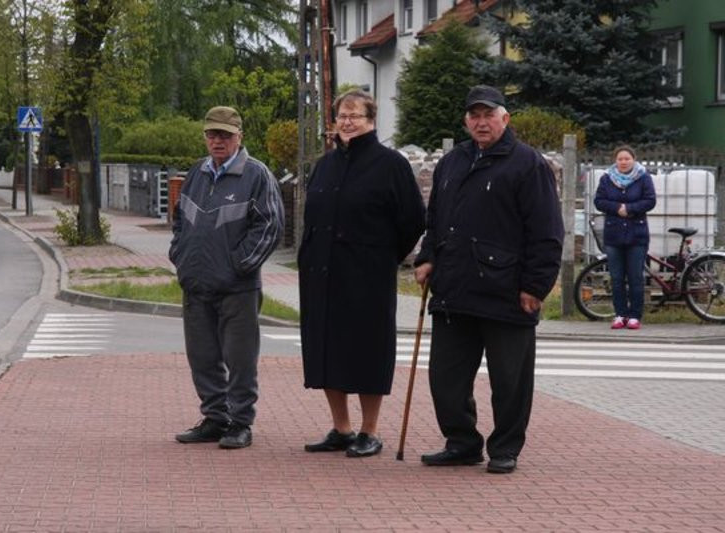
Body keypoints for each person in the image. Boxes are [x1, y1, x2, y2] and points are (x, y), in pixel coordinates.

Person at [413, 85, 563, 474]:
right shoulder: (452, 163)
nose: (481, 122)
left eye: (489, 115)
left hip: (507, 293)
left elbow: (547, 233)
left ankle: (505, 448)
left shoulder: (527, 164)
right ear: (466, 121)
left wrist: (535, 286)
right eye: (474, 115)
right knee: (445, 379)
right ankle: (461, 442)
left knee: (510, 381)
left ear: (505, 118)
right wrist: (428, 257)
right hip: (454, 289)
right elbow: (436, 221)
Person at [299, 90, 426, 458]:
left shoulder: (391, 165)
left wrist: (384, 256)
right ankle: (341, 427)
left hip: (367, 275)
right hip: (322, 274)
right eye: (342, 115)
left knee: (367, 351)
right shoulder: (325, 165)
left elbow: (413, 220)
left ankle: (369, 430)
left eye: (355, 115)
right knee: (326, 350)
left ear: (371, 120)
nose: (347, 121)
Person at [170, 106, 284, 449]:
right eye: (212, 134)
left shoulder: (256, 174)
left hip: (237, 286)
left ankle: (240, 422)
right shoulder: (196, 173)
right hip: (196, 283)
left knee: (240, 358)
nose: (217, 141)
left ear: (239, 137)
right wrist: (180, 256)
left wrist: (239, 264)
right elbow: (179, 220)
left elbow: (271, 226)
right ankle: (215, 417)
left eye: (224, 135)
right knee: (202, 356)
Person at [594, 145, 656, 330]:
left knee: (636, 277)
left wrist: (630, 209)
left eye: (627, 159)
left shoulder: (644, 178)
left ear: (633, 160)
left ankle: (635, 315)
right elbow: (599, 201)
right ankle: (620, 314)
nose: (623, 162)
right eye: (620, 159)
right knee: (617, 277)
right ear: (615, 161)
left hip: (637, 235)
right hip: (613, 235)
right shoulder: (606, 179)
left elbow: (650, 200)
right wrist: (616, 208)